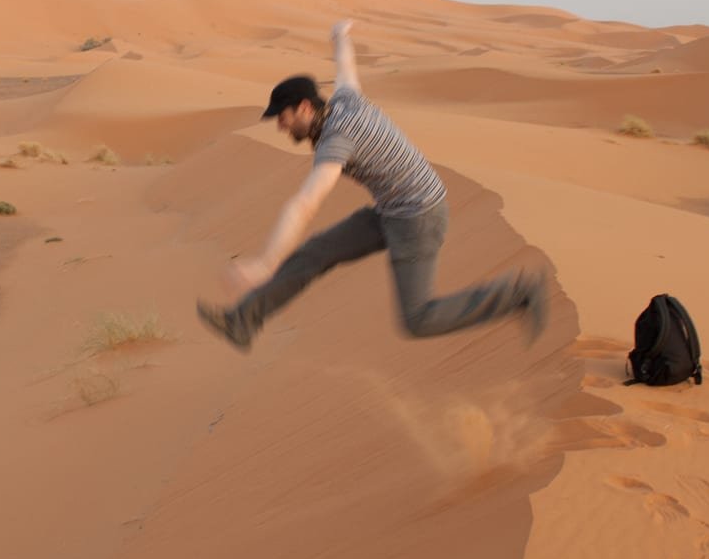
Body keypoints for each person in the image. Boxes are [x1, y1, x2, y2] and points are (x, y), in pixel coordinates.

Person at [197, 19, 548, 351]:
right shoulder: (346, 101)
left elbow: (306, 203)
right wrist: (340, 37)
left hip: (419, 217)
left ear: (305, 108)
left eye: (284, 118)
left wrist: (265, 262)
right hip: (393, 209)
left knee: (418, 318)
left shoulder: (337, 139)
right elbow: (346, 70)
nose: (281, 127)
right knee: (315, 253)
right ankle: (243, 321)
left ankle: (518, 294)